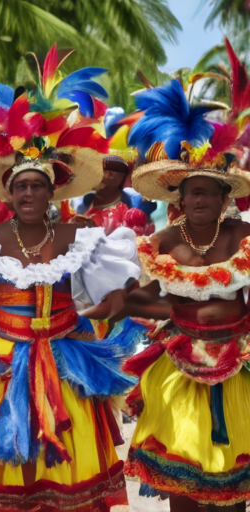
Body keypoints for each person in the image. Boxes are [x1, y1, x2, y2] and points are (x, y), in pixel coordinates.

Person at [0, 111, 145, 510]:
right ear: (9, 193)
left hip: (63, 360)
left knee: (65, 469)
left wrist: (81, 320)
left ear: (51, 192)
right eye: (21, 186)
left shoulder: (77, 236)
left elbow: (119, 290)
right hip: (1, 361)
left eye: (37, 186)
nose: (28, 194)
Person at [112, 79, 250, 511]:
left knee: (234, 480)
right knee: (185, 474)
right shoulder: (163, 241)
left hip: (239, 361)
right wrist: (159, 306)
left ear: (225, 195)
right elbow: (139, 299)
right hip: (179, 361)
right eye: (193, 191)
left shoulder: (244, 235)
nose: (200, 198)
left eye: (209, 190)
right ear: (180, 197)